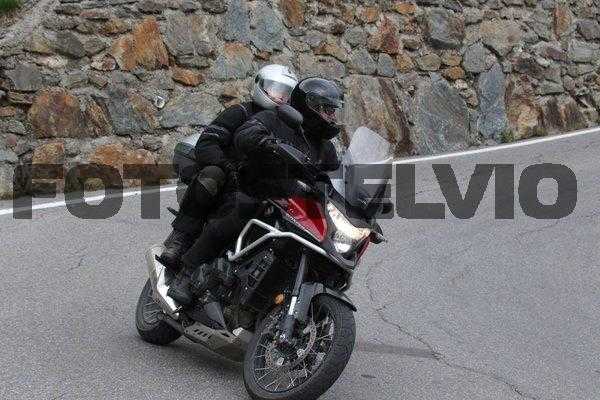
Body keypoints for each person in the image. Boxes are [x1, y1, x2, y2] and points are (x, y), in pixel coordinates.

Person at [167, 77, 344, 306]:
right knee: (240, 210)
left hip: (292, 204)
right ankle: (187, 272)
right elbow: (246, 134)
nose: (332, 116)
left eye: (333, 111)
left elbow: (335, 178)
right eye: (328, 110)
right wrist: (266, 143)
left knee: (323, 237)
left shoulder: (326, 148)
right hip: (252, 188)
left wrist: (361, 208)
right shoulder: (275, 119)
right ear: (310, 107)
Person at [160, 65, 299, 270]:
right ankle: (180, 238)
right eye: (275, 89)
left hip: (260, 188)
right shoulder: (240, 112)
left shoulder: (289, 127)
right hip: (229, 180)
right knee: (212, 174)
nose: (280, 97)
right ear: (259, 85)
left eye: (286, 93)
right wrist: (227, 166)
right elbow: (207, 143)